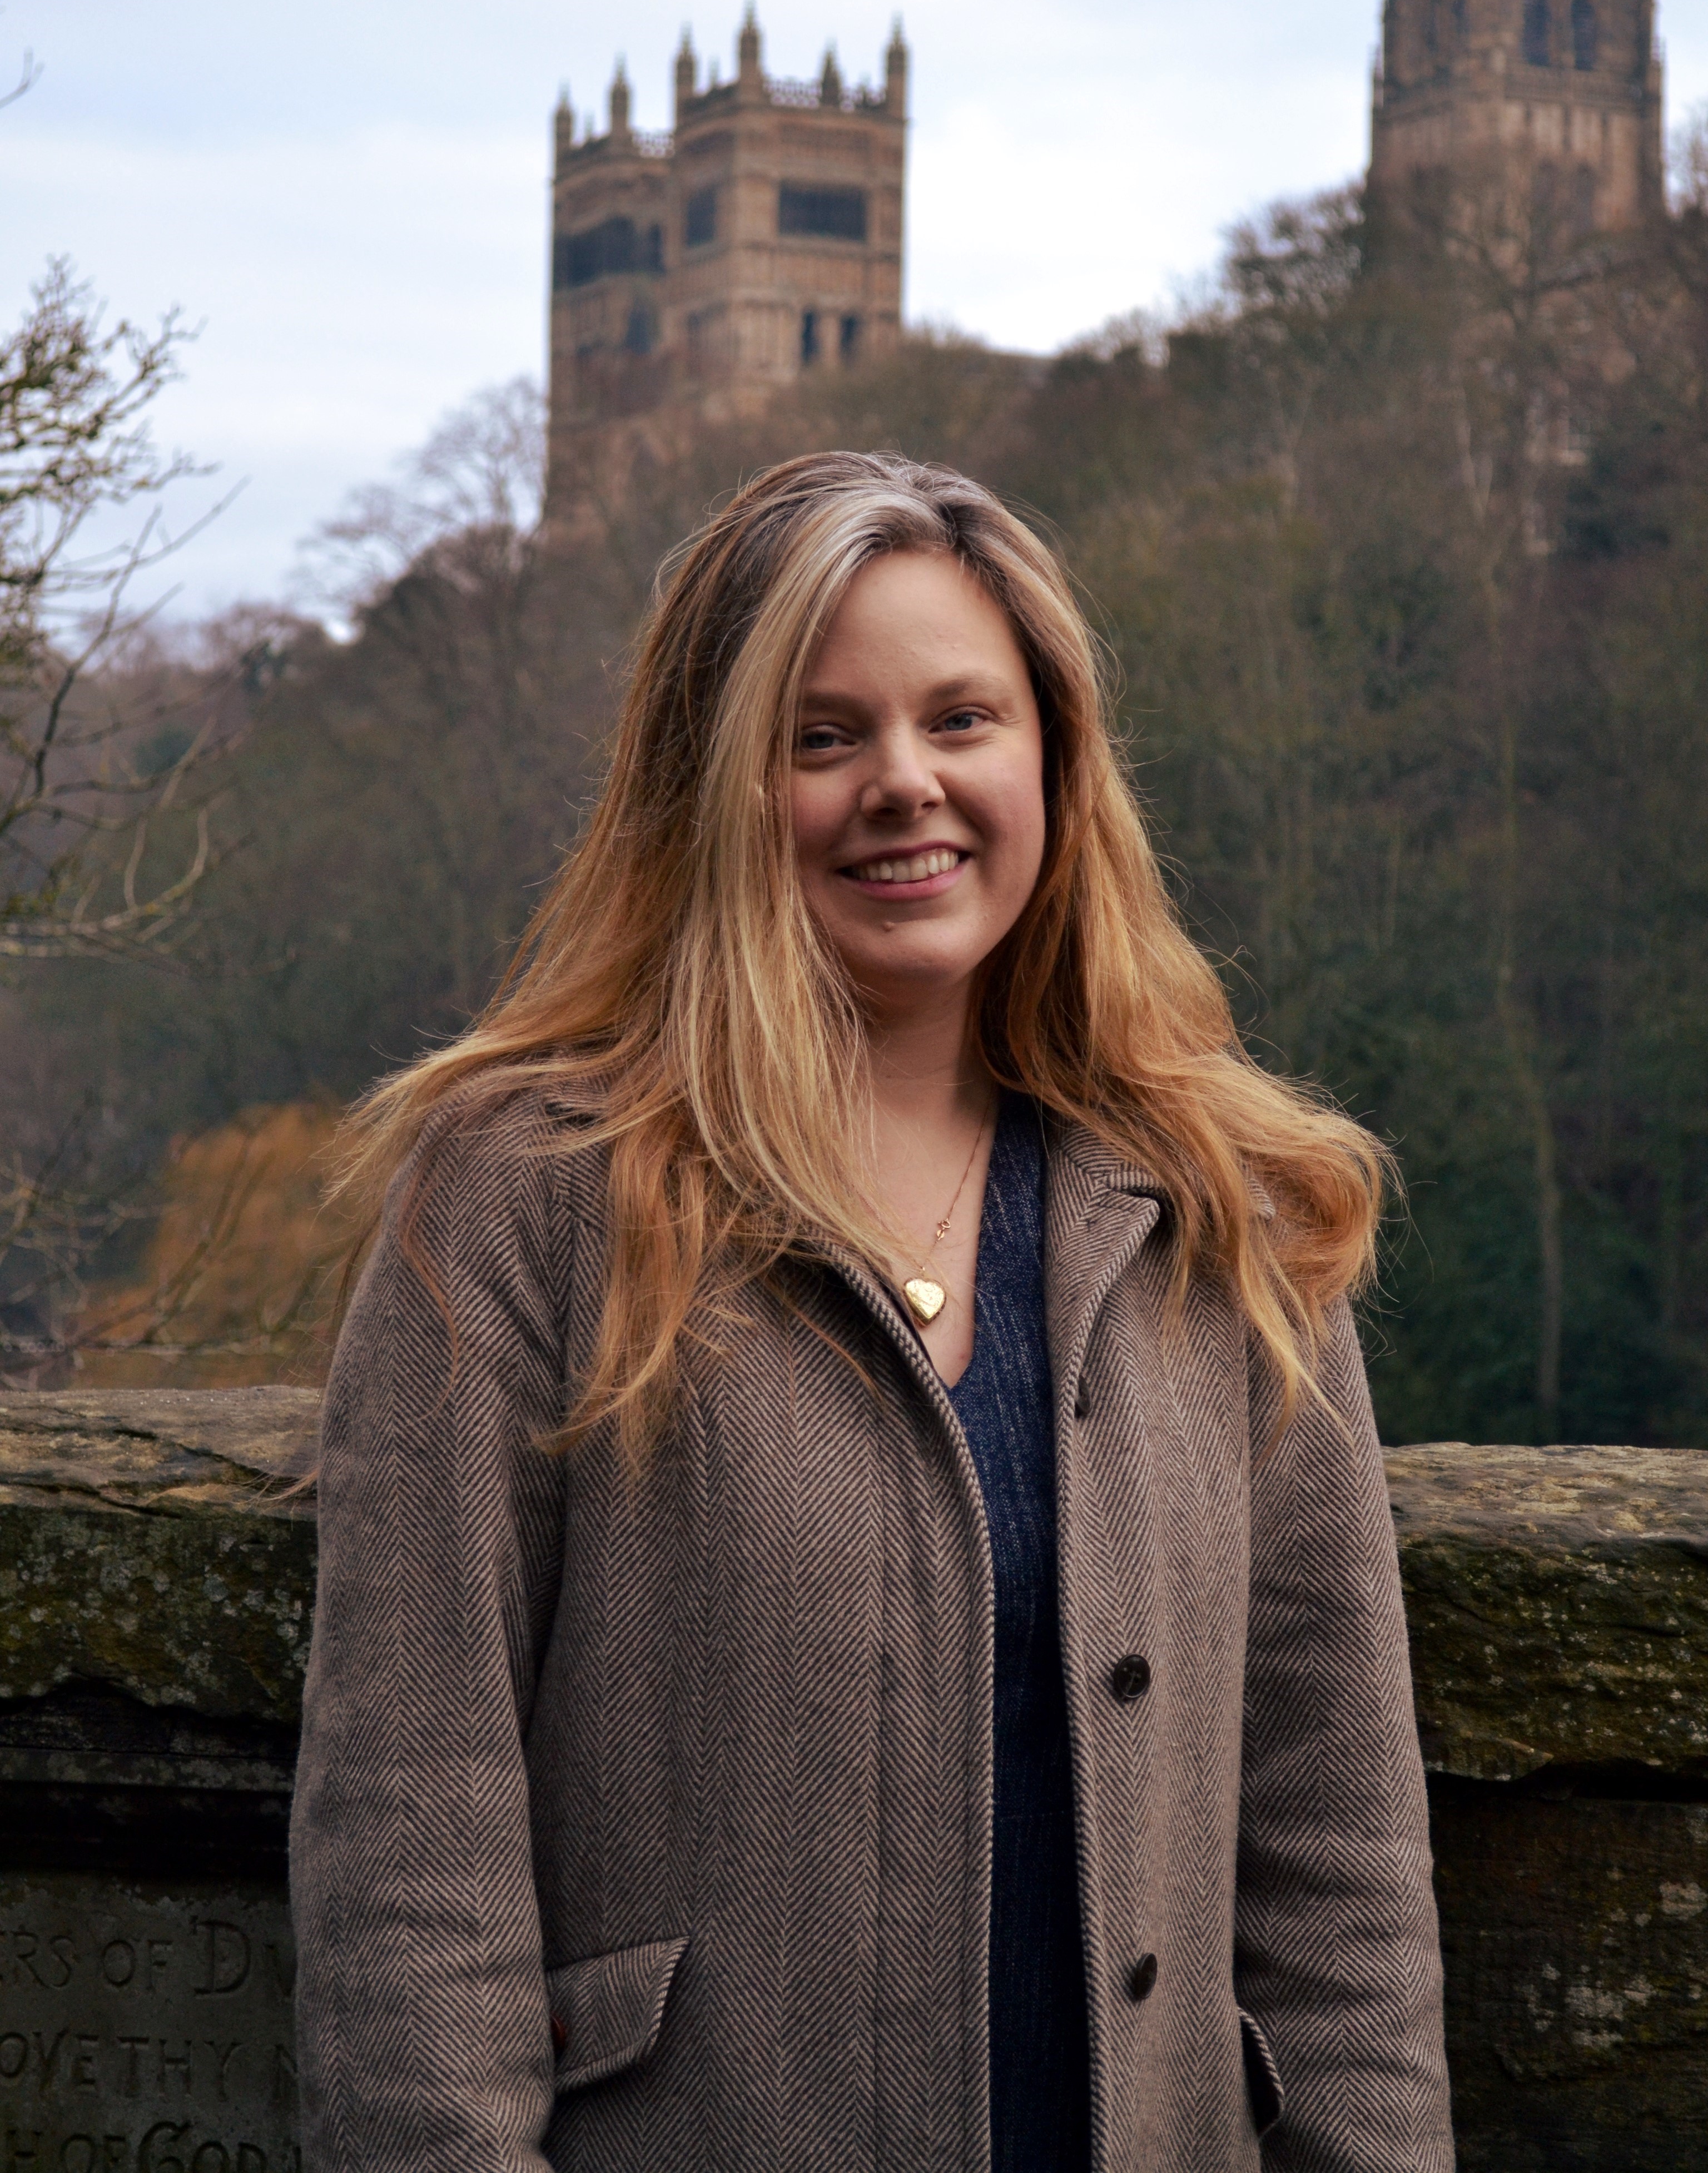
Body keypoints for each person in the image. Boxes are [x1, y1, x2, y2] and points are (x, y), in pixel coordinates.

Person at [291, 449, 1453, 2173]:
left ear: (1054, 756)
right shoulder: (531, 1197)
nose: (903, 784)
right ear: (713, 790)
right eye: (822, 737)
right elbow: (410, 1848)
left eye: (962, 720)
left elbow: (1339, 1842)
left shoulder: (1233, 1208)